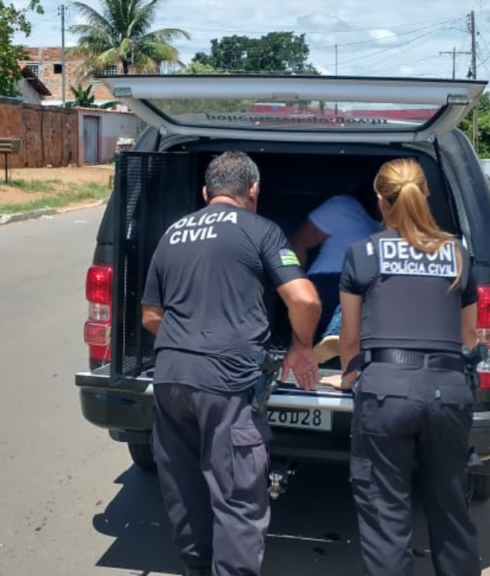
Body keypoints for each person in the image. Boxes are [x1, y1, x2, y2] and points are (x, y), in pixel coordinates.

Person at [140, 151, 322, 576]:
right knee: (237, 498)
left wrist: (189, 342)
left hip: (170, 378)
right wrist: (300, 346)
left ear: (206, 192)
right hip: (226, 383)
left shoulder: (173, 233)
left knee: (184, 492)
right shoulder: (262, 230)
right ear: (253, 189)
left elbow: (150, 315)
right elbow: (306, 299)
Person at [330, 158, 481, 576]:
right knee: (451, 508)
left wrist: (349, 376)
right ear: (426, 194)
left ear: (380, 200)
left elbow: (349, 338)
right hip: (449, 391)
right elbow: (469, 338)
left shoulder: (362, 254)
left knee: (385, 513)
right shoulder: (458, 253)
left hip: (385, 392)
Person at [289, 193, 382, 363]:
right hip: (328, 283)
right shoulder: (343, 207)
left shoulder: (387, 230)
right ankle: (334, 335)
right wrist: (297, 288)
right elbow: (298, 243)